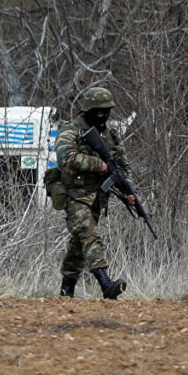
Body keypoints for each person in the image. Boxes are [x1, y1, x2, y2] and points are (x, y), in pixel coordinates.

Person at [54, 87, 132, 300]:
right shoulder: (71, 130)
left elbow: (123, 167)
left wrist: (129, 191)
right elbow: (65, 158)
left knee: (79, 244)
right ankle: (105, 283)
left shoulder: (111, 135)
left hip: (98, 198)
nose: (103, 115)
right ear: (88, 110)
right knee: (89, 235)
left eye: (106, 111)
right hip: (75, 195)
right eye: (98, 111)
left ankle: (66, 291)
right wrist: (99, 165)